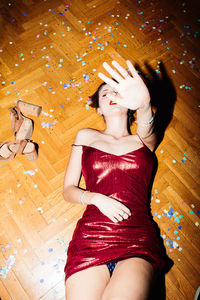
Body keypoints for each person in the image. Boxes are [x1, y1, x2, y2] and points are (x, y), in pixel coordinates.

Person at [63, 60, 167, 300]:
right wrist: (96, 198)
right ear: (98, 108)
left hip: (137, 239)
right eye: (105, 93)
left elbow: (148, 128)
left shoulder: (143, 139)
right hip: (91, 236)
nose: (111, 94)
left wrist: (144, 105)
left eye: (117, 91)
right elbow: (68, 190)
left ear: (127, 103)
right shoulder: (86, 136)